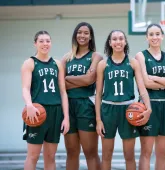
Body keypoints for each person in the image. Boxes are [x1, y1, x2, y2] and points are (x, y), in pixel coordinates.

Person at [95, 30, 152, 170]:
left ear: (125, 41)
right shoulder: (103, 64)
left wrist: (148, 108)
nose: (118, 41)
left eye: (121, 38)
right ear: (110, 43)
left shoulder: (133, 63)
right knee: (106, 155)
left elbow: (142, 88)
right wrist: (98, 120)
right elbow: (98, 94)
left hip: (129, 110)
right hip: (108, 110)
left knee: (129, 155)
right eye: (114, 39)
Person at [21, 31, 69, 170]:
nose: (45, 44)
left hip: (55, 112)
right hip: (36, 111)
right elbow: (25, 88)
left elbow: (63, 92)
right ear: (35, 44)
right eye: (41, 41)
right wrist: (29, 105)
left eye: (47, 41)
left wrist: (66, 117)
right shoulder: (29, 63)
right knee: (33, 156)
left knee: (50, 156)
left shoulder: (57, 64)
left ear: (51, 43)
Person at [135, 23, 165, 170]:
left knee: (162, 153)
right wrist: (164, 83)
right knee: (146, 152)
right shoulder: (140, 56)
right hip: (149, 105)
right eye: (151, 34)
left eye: (158, 34)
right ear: (146, 37)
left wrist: (155, 79)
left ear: (162, 36)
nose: (155, 37)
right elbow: (145, 82)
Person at [61, 22, 102, 170]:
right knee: (71, 152)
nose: (82, 35)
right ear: (75, 35)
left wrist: (67, 79)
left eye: (86, 33)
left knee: (90, 152)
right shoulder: (66, 58)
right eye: (79, 32)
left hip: (86, 105)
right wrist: (79, 80)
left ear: (90, 37)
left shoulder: (96, 56)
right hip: (68, 106)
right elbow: (60, 84)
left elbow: (89, 79)